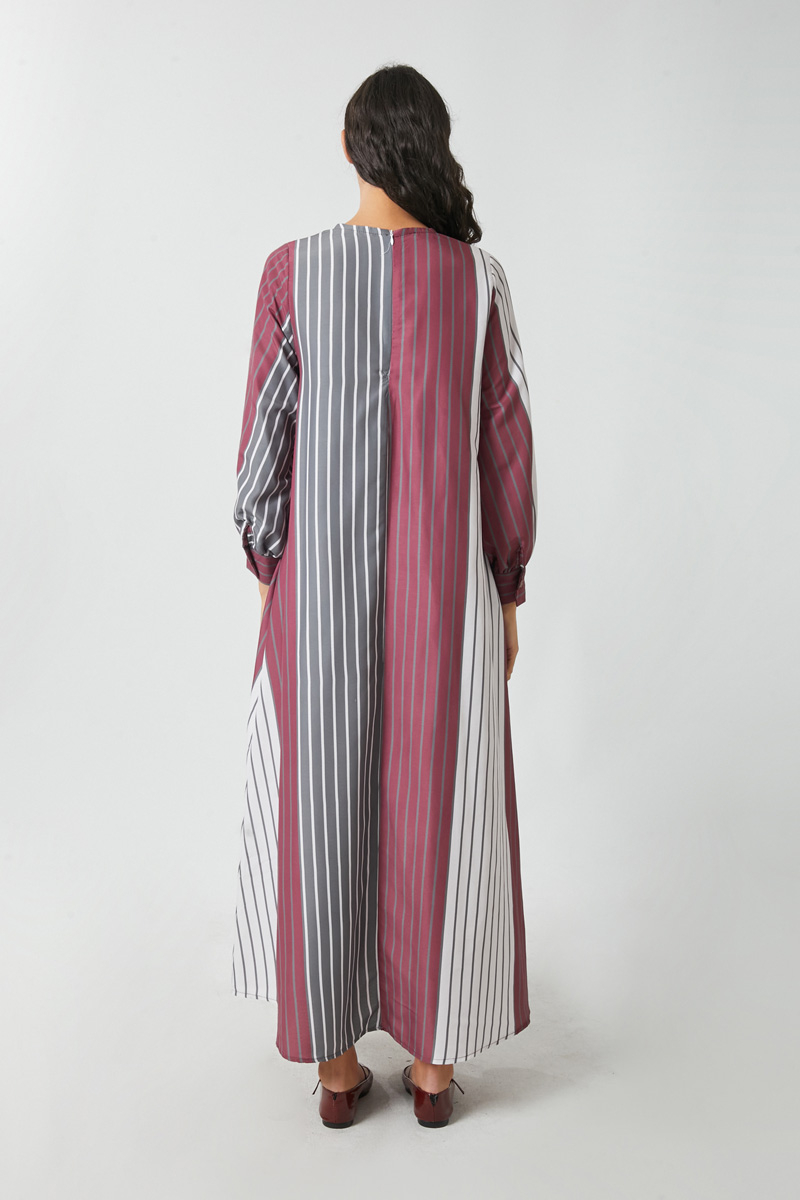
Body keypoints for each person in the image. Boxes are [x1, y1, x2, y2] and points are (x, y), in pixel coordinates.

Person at [231, 63, 538, 1129]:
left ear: (350, 147)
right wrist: (507, 587)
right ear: (431, 147)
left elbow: (260, 454)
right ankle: (435, 1073)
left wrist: (274, 568)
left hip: (313, 596)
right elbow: (506, 445)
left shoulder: (290, 271)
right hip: (448, 597)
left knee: (323, 803)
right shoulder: (478, 280)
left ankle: (334, 1071)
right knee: (438, 802)